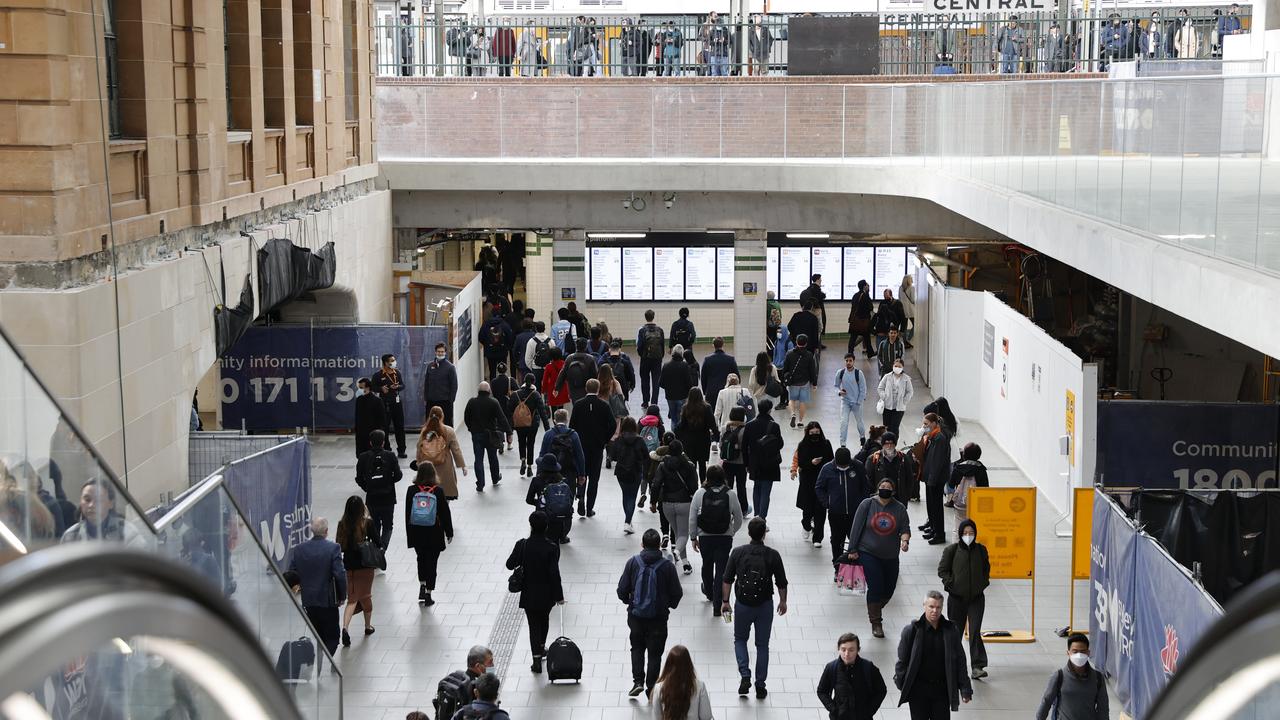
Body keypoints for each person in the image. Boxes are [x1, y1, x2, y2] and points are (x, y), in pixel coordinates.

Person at [722, 517, 788, 700]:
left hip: (743, 605)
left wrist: (725, 601)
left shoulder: (738, 552)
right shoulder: (773, 555)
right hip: (764, 605)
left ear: (749, 533)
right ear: (764, 533)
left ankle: (745, 675)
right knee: (762, 645)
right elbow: (781, 582)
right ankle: (760, 685)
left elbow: (727, 579)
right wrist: (783, 601)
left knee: (740, 640)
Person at [618, 528, 684, 699]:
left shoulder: (633, 562)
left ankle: (637, 681)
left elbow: (622, 590)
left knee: (637, 647)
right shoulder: (667, 567)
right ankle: (651, 687)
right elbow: (677, 593)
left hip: (636, 617)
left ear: (642, 544)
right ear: (658, 545)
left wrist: (630, 602)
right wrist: (667, 606)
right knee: (655, 654)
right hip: (658, 618)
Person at [848, 478, 912, 638]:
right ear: (877, 489)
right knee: (876, 587)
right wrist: (852, 548)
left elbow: (905, 528)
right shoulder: (867, 504)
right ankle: (876, 622)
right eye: (882, 487)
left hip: (891, 555)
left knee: (889, 590)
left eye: (888, 487)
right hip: (868, 552)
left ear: (893, 491)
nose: (885, 489)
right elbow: (856, 526)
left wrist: (905, 541)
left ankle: (874, 607)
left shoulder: (899, 508)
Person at [894, 591, 973, 718]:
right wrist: (903, 683)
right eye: (931, 606)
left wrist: (965, 688)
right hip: (918, 690)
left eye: (938, 607)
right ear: (924, 605)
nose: (934, 611)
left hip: (941, 690)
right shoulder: (911, 631)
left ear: (942, 608)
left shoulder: (951, 630)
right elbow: (902, 661)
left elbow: (960, 661)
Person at [506, 511, 565, 674]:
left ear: (530, 525)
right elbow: (554, 573)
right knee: (544, 620)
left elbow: (509, 564)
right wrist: (559, 596)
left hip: (529, 593)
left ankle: (536, 659)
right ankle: (541, 647)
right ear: (546, 527)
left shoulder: (522, 544)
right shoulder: (551, 547)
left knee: (533, 626)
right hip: (546, 594)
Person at [938, 519, 991, 680]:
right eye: (965, 533)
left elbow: (986, 569)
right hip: (956, 599)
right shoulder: (951, 551)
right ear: (960, 534)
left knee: (975, 631)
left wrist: (982, 584)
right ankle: (952, 664)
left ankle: (977, 666)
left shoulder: (981, 550)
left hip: (976, 598)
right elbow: (942, 570)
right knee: (955, 632)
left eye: (971, 533)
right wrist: (951, 585)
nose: (968, 536)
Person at [288, 517, 347, 655]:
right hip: (327, 600)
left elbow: (292, 572)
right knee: (332, 635)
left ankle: (318, 659)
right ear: (326, 531)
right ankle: (327, 660)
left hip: (308, 600)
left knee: (316, 633)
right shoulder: (333, 548)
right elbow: (340, 574)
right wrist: (342, 595)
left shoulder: (299, 549)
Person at [690, 464, 743, 617]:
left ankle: (709, 591)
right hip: (724, 538)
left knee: (706, 565)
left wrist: (693, 537)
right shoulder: (730, 494)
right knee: (722, 570)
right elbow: (738, 518)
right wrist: (731, 531)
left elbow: (692, 517)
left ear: (707, 477)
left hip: (705, 537)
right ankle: (718, 605)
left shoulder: (700, 493)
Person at [404, 463, 453, 606]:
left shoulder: (411, 490)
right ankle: (428, 593)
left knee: (421, 558)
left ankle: (422, 584)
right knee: (432, 562)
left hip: (416, 531)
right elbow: (445, 514)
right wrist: (449, 532)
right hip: (434, 532)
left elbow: (408, 513)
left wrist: (409, 534)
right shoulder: (438, 491)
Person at [816, 446, 869, 569]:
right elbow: (819, 488)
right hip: (836, 513)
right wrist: (827, 503)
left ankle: (857, 567)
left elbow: (865, 486)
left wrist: (863, 503)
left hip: (856, 513)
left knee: (857, 540)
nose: (844, 468)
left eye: (846, 466)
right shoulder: (827, 468)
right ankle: (838, 567)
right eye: (842, 466)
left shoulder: (858, 466)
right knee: (836, 541)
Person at [570, 378, 617, 517]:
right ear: (597, 389)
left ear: (586, 388)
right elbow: (613, 425)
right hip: (597, 447)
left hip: (581, 447)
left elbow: (572, 426)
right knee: (594, 479)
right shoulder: (604, 405)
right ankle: (589, 508)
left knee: (582, 474)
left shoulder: (578, 405)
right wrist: (605, 439)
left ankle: (580, 496)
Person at [817, 632, 889, 720]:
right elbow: (821, 691)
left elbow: (881, 690)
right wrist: (833, 709)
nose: (847, 654)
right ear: (838, 649)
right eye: (843, 650)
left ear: (858, 650)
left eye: (851, 650)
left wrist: (869, 711)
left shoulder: (869, 668)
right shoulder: (831, 668)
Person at [1035, 634, 1108, 720]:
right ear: (1068, 653)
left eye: (1082, 651)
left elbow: (1103, 708)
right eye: (1075, 651)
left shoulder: (1098, 678)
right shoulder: (1059, 677)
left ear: (1088, 653)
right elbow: (1046, 702)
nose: (1079, 655)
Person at [335, 495, 377, 647]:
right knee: (365, 595)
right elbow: (377, 542)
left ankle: (345, 627)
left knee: (352, 598)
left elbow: (339, 545)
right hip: (365, 566)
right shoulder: (367, 523)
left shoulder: (342, 524)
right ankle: (367, 626)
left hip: (349, 566)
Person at [654, 439, 699, 575]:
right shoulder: (689, 465)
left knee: (678, 533)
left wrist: (653, 501)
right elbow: (694, 486)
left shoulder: (662, 465)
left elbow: (656, 484)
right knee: (683, 534)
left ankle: (685, 564)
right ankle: (676, 552)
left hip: (667, 503)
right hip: (684, 503)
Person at [60, 480, 147, 546]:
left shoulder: (127, 532)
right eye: (87, 499)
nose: (91, 505)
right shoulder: (70, 536)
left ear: (111, 503)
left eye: (98, 500)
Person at [356, 429, 402, 550]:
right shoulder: (390, 456)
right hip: (388, 497)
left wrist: (367, 488)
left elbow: (359, 478)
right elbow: (398, 475)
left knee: (374, 525)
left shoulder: (363, 457)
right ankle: (382, 549)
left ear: (370, 443)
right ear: (383, 442)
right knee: (388, 526)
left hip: (372, 498)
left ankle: (376, 548)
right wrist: (390, 483)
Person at [463, 381, 512, 492]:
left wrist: (471, 428)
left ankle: (480, 483)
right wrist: (509, 432)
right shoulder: (494, 402)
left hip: (477, 434)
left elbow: (466, 417)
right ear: (489, 391)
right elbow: (502, 418)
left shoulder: (472, 402)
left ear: (478, 391)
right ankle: (495, 478)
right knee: (493, 457)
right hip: (491, 435)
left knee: (478, 459)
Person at [793, 421, 834, 549]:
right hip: (807, 482)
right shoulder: (803, 445)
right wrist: (811, 463)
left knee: (821, 511)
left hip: (822, 482)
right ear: (807, 433)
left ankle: (818, 537)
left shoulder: (826, 444)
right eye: (812, 433)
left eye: (817, 433)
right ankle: (806, 525)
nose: (814, 435)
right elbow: (801, 463)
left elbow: (831, 460)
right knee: (807, 509)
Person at [742, 398, 784, 520]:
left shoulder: (749, 425)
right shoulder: (774, 426)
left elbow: (744, 446)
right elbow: (780, 444)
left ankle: (756, 516)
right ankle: (762, 518)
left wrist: (746, 464)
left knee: (757, 488)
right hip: (770, 462)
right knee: (766, 491)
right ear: (770, 410)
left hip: (755, 462)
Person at [609, 416, 651, 534]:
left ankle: (628, 519)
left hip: (621, 471)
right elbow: (646, 457)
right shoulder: (640, 440)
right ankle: (628, 521)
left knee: (625, 495)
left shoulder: (619, 440)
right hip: (636, 471)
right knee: (632, 496)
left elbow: (613, 456)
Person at [416, 405, 467, 499]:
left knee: (430, 492)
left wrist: (418, 462)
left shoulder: (425, 431)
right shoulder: (449, 431)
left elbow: (419, 448)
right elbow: (456, 449)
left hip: (428, 466)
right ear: (442, 416)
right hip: (445, 464)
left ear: (429, 416)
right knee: (446, 493)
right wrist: (463, 466)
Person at [540, 408, 587, 508]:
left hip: (551, 472)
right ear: (567, 420)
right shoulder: (574, 435)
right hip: (569, 472)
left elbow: (542, 455)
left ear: (554, 420)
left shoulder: (548, 434)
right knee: (569, 496)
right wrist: (581, 474)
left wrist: (540, 473)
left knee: (551, 496)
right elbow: (580, 456)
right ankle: (567, 516)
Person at [920, 413, 953, 545]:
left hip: (936, 479)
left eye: (926, 424)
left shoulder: (939, 438)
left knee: (937, 507)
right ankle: (934, 529)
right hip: (931, 477)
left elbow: (937, 461)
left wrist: (932, 479)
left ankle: (939, 533)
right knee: (932, 505)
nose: (924, 426)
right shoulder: (933, 437)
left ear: (934, 423)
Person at [527, 454, 576, 544]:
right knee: (554, 544)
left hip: (541, 518)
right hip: (557, 518)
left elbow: (528, 500)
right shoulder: (562, 481)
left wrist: (540, 503)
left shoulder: (536, 480)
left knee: (540, 543)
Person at [510, 373, 551, 478]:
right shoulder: (536, 395)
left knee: (521, 441)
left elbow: (509, 410)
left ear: (524, 381)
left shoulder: (515, 394)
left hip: (519, 424)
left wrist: (510, 427)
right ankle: (529, 467)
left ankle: (523, 460)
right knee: (530, 443)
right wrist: (547, 428)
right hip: (532, 424)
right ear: (533, 382)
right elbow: (542, 412)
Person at [675, 388, 718, 484]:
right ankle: (703, 483)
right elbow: (712, 424)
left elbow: (682, 425)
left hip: (689, 440)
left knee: (692, 464)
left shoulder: (686, 407)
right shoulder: (707, 407)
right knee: (702, 464)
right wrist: (717, 436)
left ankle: (693, 484)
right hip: (703, 440)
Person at [371, 354, 408, 458]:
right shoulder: (378, 375)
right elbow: (373, 387)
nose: (394, 362)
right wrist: (381, 389)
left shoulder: (397, 373)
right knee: (385, 427)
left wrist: (398, 387)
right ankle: (386, 449)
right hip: (384, 403)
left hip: (397, 403)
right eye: (392, 360)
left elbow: (403, 385)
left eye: (394, 360)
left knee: (400, 427)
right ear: (386, 363)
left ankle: (401, 450)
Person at [866, 432, 918, 505]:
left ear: (895, 444)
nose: (889, 446)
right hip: (880, 500)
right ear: (882, 444)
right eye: (886, 443)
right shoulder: (874, 459)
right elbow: (869, 481)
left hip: (899, 499)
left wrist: (906, 496)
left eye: (891, 443)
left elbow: (910, 479)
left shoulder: (903, 458)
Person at [720, 406, 751, 516]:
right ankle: (743, 509)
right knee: (741, 486)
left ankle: (726, 508)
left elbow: (721, 445)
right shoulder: (745, 430)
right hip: (741, 463)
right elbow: (747, 448)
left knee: (727, 487)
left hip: (727, 462)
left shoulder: (725, 428)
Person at [783, 334, 819, 428]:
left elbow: (785, 368)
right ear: (806, 343)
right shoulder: (809, 355)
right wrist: (814, 383)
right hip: (804, 382)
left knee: (792, 399)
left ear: (796, 342)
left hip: (793, 382)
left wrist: (785, 378)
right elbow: (812, 370)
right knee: (802, 402)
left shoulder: (789, 353)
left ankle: (793, 414)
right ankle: (800, 421)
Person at [947, 442, 989, 520]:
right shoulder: (981, 469)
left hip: (960, 503)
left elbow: (951, 484)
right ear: (979, 455)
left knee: (959, 523)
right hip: (976, 503)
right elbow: (985, 488)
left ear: (964, 455)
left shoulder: (958, 468)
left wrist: (950, 499)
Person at [835, 354, 868, 449]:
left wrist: (859, 401)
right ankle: (843, 444)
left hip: (857, 403)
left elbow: (863, 388)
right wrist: (839, 392)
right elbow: (836, 386)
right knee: (843, 422)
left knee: (859, 422)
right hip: (845, 402)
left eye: (850, 360)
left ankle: (862, 438)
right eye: (846, 360)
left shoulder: (859, 373)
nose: (848, 363)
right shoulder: (840, 373)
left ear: (853, 361)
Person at [558, 337, 601, 407]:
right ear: (586, 346)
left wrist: (557, 387)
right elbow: (595, 375)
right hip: (586, 388)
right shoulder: (590, 358)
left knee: (576, 405)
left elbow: (562, 374)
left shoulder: (569, 358)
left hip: (573, 388)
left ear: (576, 346)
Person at [424, 343, 459, 426]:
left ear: (445, 353)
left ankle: (446, 439)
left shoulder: (450, 367)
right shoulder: (430, 366)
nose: (440, 353)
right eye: (438, 351)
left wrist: (451, 400)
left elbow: (454, 385)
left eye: (442, 352)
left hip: (445, 402)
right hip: (431, 401)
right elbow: (426, 383)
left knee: (446, 424)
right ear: (435, 352)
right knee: (430, 424)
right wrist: (426, 397)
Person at [637, 310, 667, 406]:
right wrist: (661, 355)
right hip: (657, 358)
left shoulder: (642, 330)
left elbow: (640, 345)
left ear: (645, 317)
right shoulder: (660, 330)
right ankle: (654, 402)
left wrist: (642, 354)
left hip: (645, 358)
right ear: (653, 317)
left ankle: (645, 401)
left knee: (645, 380)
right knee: (656, 380)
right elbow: (662, 344)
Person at [878, 358, 914, 437]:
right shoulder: (887, 376)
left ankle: (894, 444)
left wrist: (904, 401)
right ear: (893, 366)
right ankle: (886, 443)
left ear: (902, 367)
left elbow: (910, 391)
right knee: (886, 427)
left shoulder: (906, 379)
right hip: (887, 406)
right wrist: (884, 397)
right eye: (895, 366)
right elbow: (880, 388)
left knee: (894, 427)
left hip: (899, 408)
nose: (897, 368)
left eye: (899, 366)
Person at [354, 377, 388, 458]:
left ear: (368, 387)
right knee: (361, 456)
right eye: (359, 388)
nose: (360, 390)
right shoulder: (359, 400)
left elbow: (382, 419)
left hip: (373, 434)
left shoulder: (377, 401)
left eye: (362, 388)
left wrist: (380, 434)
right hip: (360, 434)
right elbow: (357, 416)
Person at [659, 347, 693, 428]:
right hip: (682, 396)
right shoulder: (685, 366)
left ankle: (673, 437)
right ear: (682, 354)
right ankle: (681, 437)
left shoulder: (666, 366)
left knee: (673, 419)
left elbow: (661, 383)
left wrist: (669, 388)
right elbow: (689, 383)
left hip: (670, 397)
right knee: (681, 418)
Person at [700, 337, 737, 403]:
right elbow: (737, 377)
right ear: (723, 345)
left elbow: (703, 378)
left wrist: (705, 391)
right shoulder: (730, 359)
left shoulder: (707, 360)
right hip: (727, 392)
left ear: (713, 345)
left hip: (711, 392)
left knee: (712, 412)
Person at [848, 280, 874, 358]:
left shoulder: (855, 295)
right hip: (863, 320)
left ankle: (850, 352)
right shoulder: (865, 295)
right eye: (867, 285)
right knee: (866, 336)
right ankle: (870, 353)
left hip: (855, 320)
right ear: (864, 286)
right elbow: (870, 307)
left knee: (853, 337)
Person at [799, 273, 828, 344]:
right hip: (816, 311)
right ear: (817, 279)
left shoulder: (810, 288)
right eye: (820, 279)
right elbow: (822, 296)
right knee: (818, 327)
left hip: (810, 311)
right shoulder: (816, 288)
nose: (821, 280)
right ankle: (817, 343)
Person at [525, 321, 554, 387]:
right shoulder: (551, 341)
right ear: (544, 329)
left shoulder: (531, 341)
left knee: (536, 390)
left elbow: (527, 358)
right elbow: (554, 357)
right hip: (548, 368)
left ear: (535, 329)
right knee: (547, 389)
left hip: (536, 369)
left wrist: (532, 367)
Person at [541, 347, 570, 412]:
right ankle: (562, 420)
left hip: (552, 389)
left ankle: (555, 421)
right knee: (561, 408)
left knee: (554, 408)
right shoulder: (564, 363)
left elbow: (545, 380)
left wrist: (544, 390)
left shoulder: (549, 366)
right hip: (563, 387)